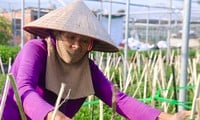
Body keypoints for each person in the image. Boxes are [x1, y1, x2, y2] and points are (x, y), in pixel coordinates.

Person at [1, 0, 191, 120]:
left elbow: (119, 100)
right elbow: (25, 89)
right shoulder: (35, 50)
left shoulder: (87, 68)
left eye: (85, 41)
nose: (77, 46)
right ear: (56, 33)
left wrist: (167, 118)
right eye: (70, 38)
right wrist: (51, 115)